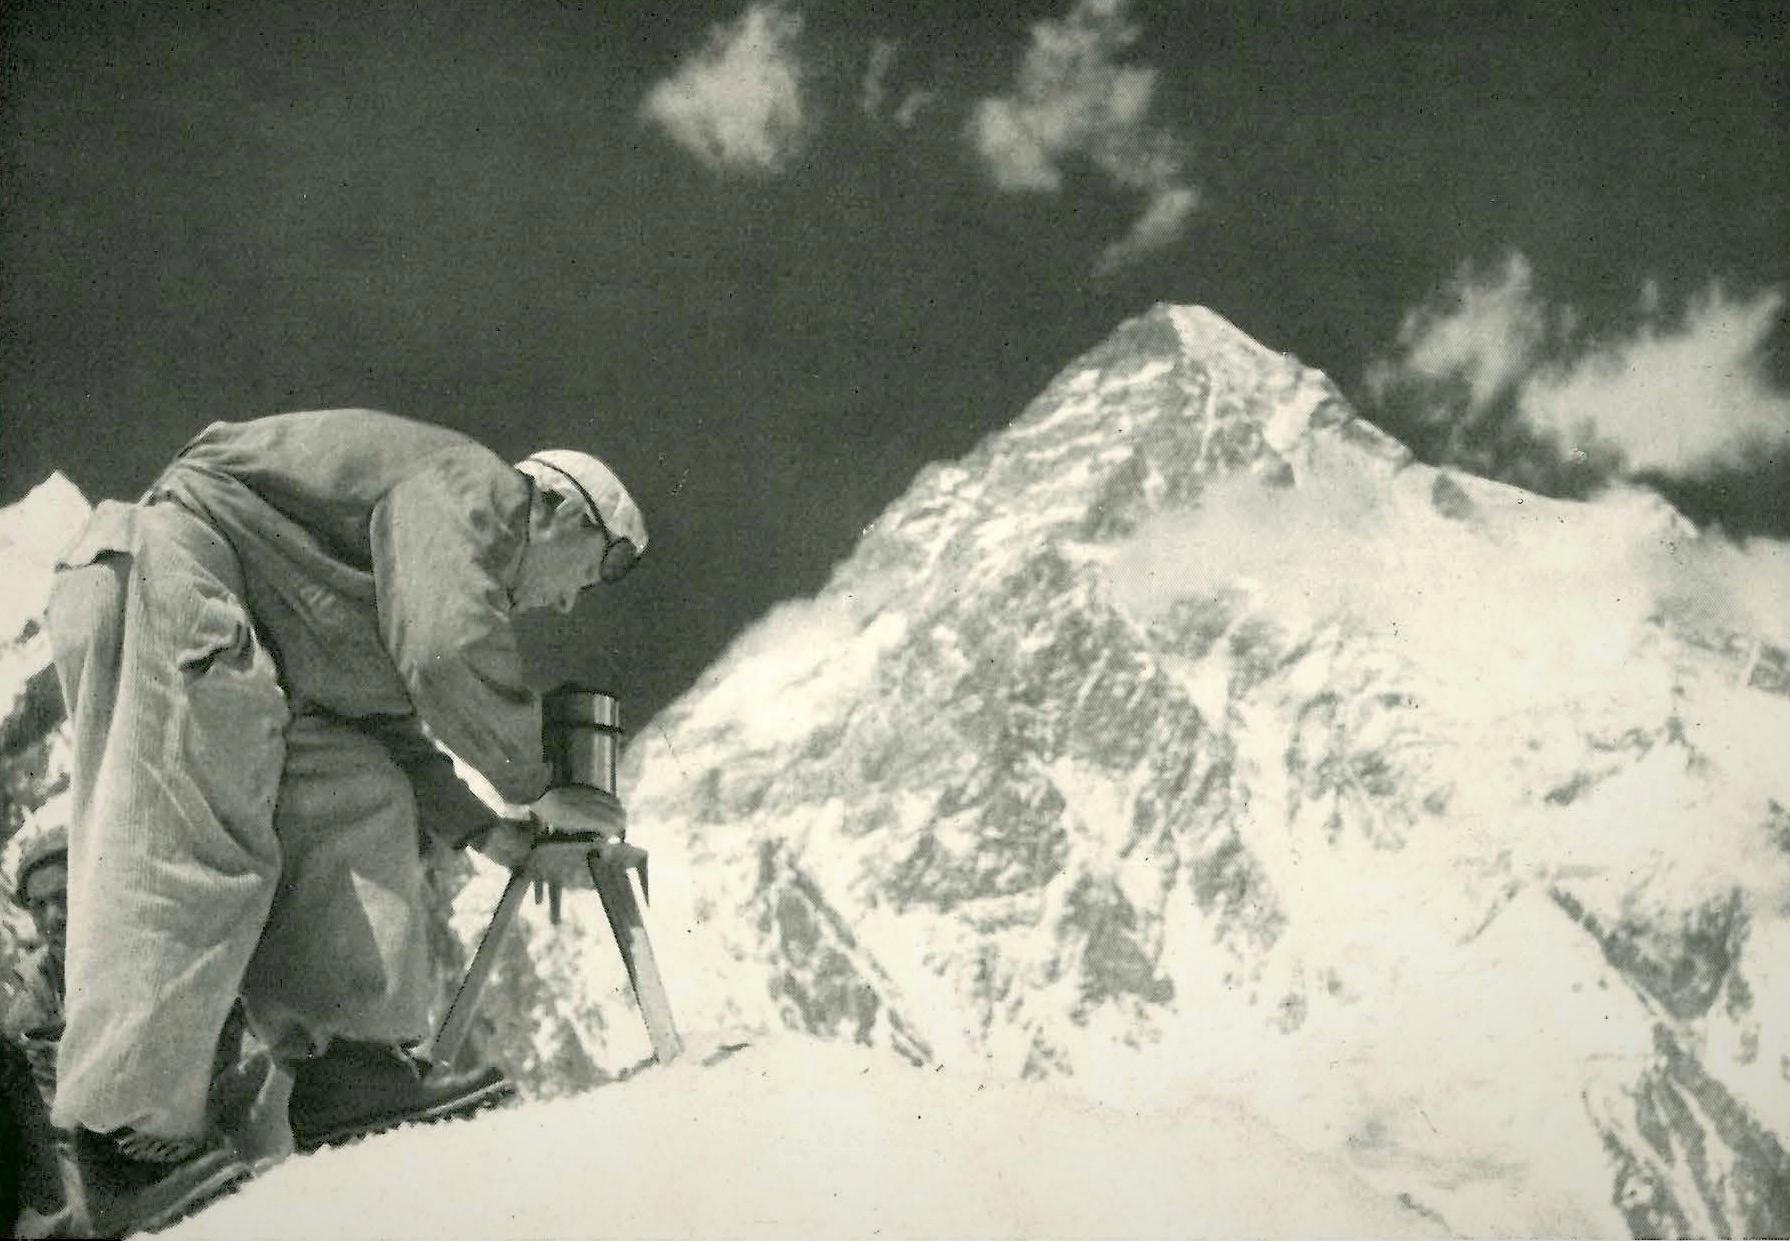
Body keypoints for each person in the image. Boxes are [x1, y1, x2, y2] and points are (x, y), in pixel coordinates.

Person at [45, 409, 646, 1236]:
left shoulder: (392, 570)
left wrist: (485, 829)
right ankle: (124, 1134)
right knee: (185, 843)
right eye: (599, 565)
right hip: (176, 573)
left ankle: (351, 1067)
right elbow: (444, 643)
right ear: (559, 507)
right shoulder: (479, 492)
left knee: (360, 786)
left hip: (250, 631)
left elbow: (388, 724)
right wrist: (536, 784)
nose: (575, 600)